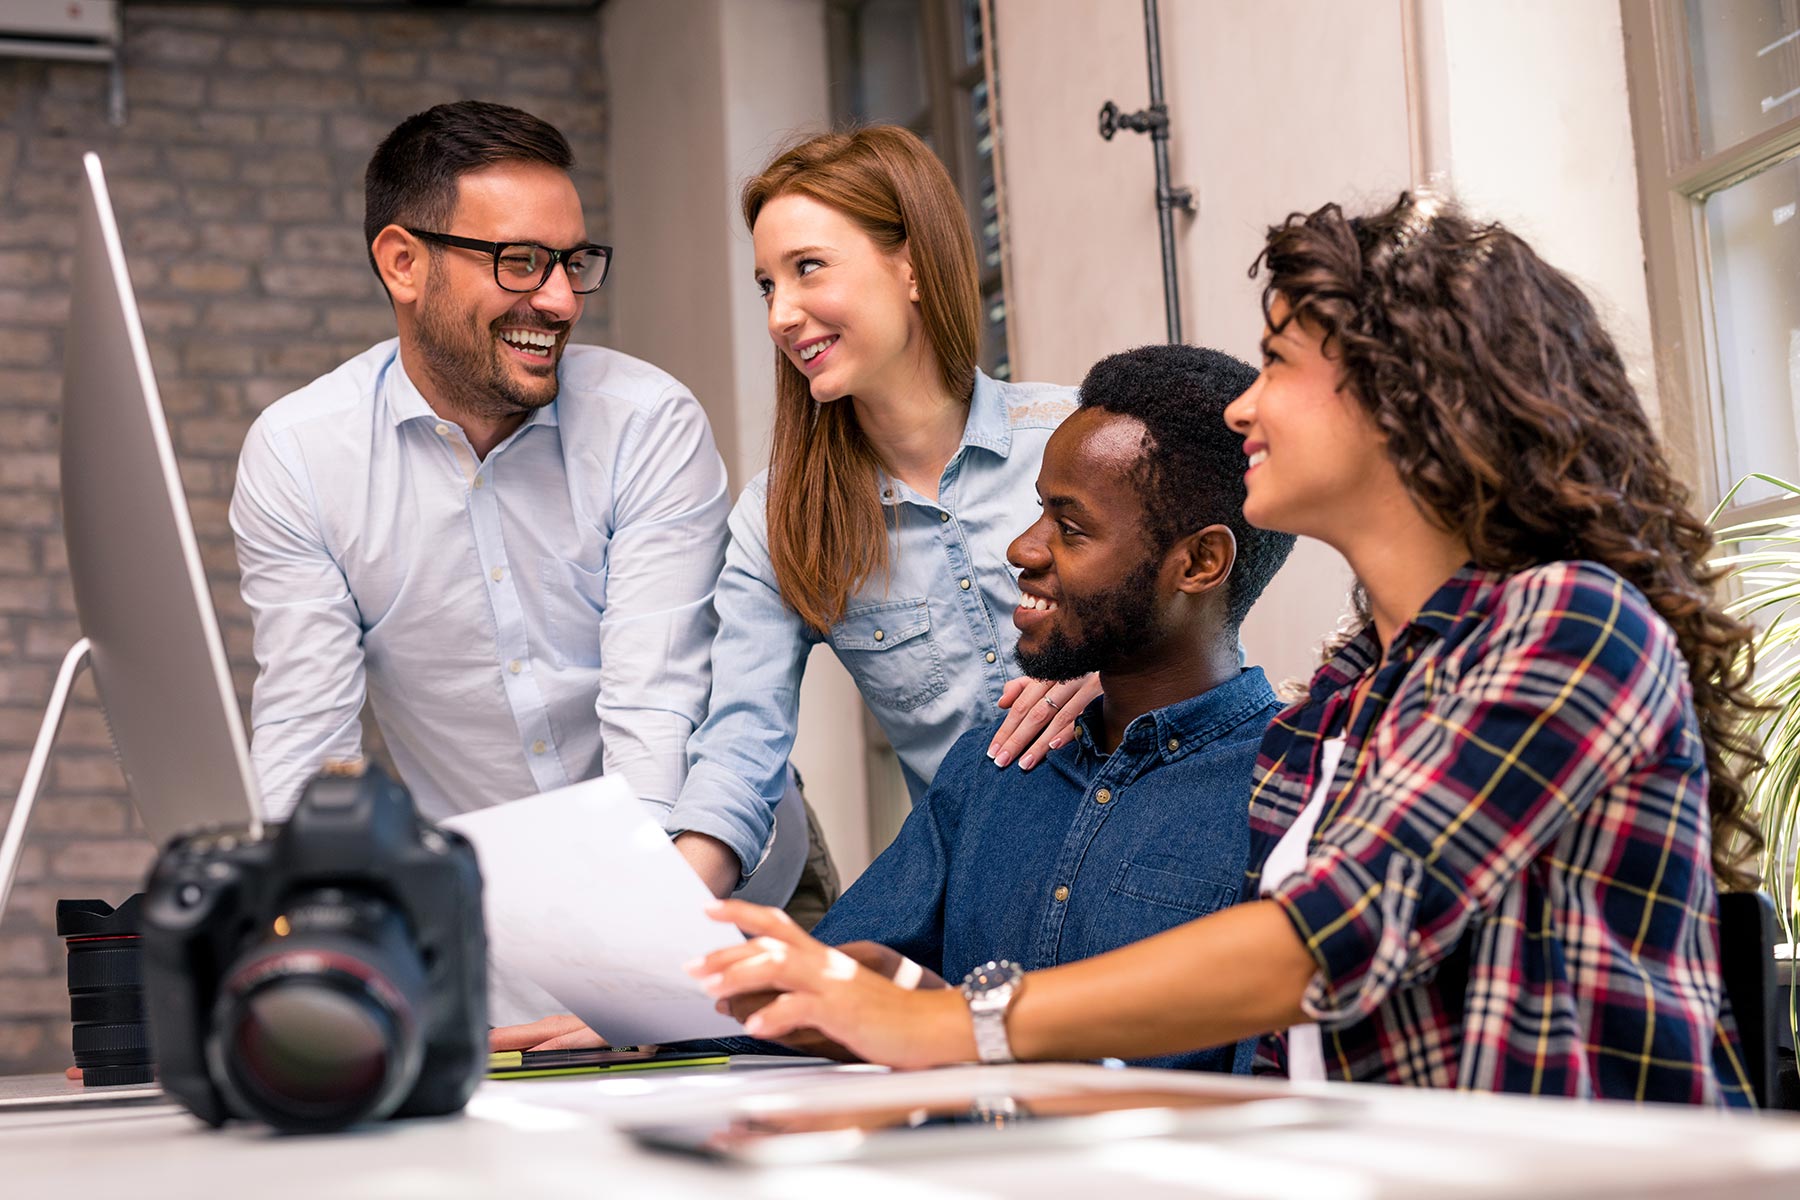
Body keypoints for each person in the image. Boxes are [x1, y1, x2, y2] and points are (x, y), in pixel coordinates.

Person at [688, 193, 1765, 1107]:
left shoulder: (1571, 628)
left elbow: (1320, 944)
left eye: (1278, 363)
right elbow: (1258, 1067)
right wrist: (907, 1005)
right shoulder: (1345, 697)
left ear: (1407, 403)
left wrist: (950, 1026)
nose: (1244, 404)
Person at [230, 101, 815, 911]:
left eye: (572, 263)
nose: (561, 300)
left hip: (729, 882)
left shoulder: (647, 422)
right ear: (402, 263)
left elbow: (658, 715)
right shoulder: (301, 455)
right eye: (521, 261)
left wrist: (639, 945)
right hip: (508, 927)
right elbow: (307, 744)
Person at [704, 344, 1294, 1073]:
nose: (1022, 549)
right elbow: (819, 993)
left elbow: (1265, 1110)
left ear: (1199, 564)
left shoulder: (1287, 795)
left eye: (1069, 528)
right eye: (1038, 511)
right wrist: (657, 1011)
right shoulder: (991, 771)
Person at [664, 126, 1096, 899]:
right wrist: (646, 940)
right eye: (768, 285)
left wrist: (1116, 669)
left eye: (808, 269)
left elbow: (1237, 534)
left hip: (1167, 854)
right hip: (990, 900)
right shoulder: (779, 520)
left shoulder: (1078, 431)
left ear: (913, 268)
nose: (780, 316)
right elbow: (738, 755)